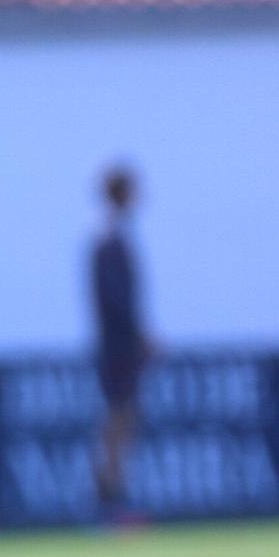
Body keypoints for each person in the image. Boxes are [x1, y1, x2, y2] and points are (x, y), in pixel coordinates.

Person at [89, 163, 152, 517]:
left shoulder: (113, 238)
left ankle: (112, 493)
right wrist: (140, 336)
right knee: (118, 418)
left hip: (118, 347)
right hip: (117, 348)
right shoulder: (108, 240)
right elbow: (117, 301)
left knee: (123, 418)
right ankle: (108, 498)